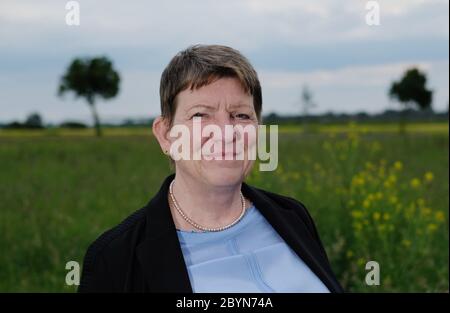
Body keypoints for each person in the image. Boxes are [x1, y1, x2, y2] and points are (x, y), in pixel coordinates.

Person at [78, 44, 343, 293]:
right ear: (165, 134)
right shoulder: (114, 259)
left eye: (241, 115)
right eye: (200, 115)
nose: (226, 133)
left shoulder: (292, 216)